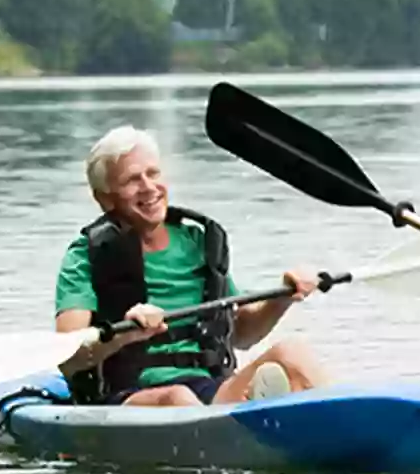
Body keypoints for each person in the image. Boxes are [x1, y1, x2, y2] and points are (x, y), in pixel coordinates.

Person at [54, 125, 331, 407]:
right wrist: (125, 333)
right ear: (105, 198)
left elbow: (242, 333)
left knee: (292, 353)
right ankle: (236, 434)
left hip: (209, 390)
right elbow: (67, 356)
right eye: (132, 180)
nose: (149, 187)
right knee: (177, 397)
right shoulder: (85, 256)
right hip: (127, 397)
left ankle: (350, 427)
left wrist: (283, 296)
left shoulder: (197, 243)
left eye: (153, 173)